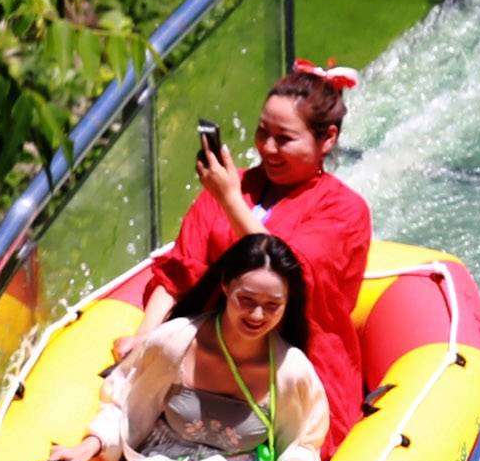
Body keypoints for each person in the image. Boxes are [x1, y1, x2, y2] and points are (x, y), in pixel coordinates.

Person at [43, 235, 333, 461]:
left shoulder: (290, 370)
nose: (258, 316)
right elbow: (126, 405)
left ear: (287, 303)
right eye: (247, 301)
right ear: (225, 286)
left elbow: (299, 443)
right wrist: (91, 444)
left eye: (272, 306)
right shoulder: (176, 342)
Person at [152, 64, 380, 402]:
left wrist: (229, 200)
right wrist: (145, 342)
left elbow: (291, 275)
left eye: (284, 139)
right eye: (263, 133)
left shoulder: (345, 209)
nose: (268, 148)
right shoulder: (235, 183)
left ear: (328, 138)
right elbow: (180, 271)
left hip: (291, 367)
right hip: (205, 353)